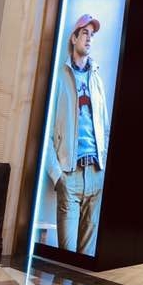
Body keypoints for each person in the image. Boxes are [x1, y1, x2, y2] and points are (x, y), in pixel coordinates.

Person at [45, 14, 110, 255]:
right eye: (84, 33)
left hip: (96, 174)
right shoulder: (58, 78)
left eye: (92, 35)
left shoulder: (97, 79)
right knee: (66, 255)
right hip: (69, 176)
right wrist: (57, 176)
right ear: (73, 38)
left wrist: (104, 169)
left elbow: (105, 127)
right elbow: (46, 133)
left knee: (86, 256)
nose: (89, 39)